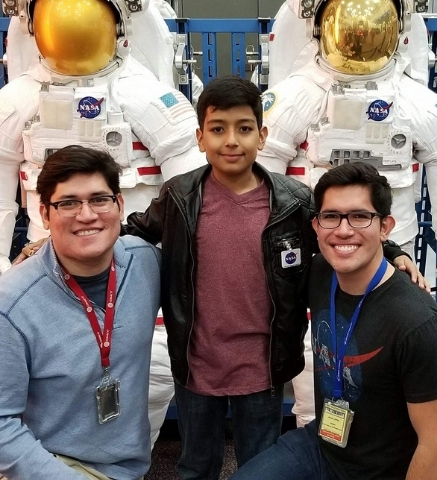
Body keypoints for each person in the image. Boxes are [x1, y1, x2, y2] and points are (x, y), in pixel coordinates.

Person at [122, 75, 421, 480]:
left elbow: (337, 228)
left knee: (259, 465)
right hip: (195, 364)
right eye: (218, 129)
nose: (232, 140)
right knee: (195, 465)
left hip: (261, 369)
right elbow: (135, 229)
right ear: (199, 137)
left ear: (262, 136)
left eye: (244, 129)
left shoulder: (292, 202)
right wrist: (52, 244)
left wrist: (395, 252)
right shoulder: (179, 197)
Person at [1, 0, 206, 449]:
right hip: (45, 279)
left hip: (127, 284)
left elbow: (192, 195)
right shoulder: (16, 102)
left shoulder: (148, 98)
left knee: (146, 385)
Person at [228, 162, 437, 480]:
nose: (343, 229)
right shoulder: (319, 272)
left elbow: (433, 444)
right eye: (331, 216)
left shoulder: (416, 323)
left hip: (381, 470)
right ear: (316, 225)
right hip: (322, 445)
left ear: (385, 227)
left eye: (360, 216)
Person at [0, 145, 161, 480]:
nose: (87, 215)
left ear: (119, 204)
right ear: (45, 214)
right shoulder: (12, 305)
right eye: (68, 203)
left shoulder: (146, 262)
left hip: (131, 466)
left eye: (99, 199)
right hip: (54, 464)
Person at [259, 0, 436, 261]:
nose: (359, 34)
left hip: (393, 243)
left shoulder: (417, 103)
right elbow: (261, 193)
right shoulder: (295, 98)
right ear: (317, 26)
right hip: (314, 241)